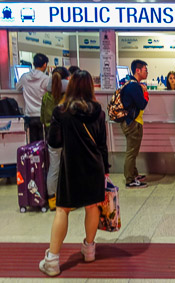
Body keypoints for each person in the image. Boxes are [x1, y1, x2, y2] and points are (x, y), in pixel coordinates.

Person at [38, 70, 109, 276]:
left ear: (70, 86)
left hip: (71, 167)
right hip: (94, 166)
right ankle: (89, 250)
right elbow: (102, 144)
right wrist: (105, 170)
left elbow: (54, 141)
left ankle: (52, 260)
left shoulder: (61, 111)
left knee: (63, 210)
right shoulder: (98, 111)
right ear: (90, 87)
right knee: (92, 206)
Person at [40, 66, 70, 211]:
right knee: (68, 167)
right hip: (68, 136)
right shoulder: (68, 95)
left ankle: (52, 199)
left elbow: (43, 118)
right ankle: (68, 198)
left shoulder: (46, 96)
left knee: (54, 167)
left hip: (52, 137)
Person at [120, 60, 149, 188]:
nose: (146, 72)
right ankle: (129, 180)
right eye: (145, 70)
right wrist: (145, 92)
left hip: (131, 122)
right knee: (131, 152)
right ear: (138, 70)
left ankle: (133, 173)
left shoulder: (131, 84)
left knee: (133, 151)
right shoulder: (134, 86)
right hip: (133, 123)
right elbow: (142, 104)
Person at [16, 53, 50, 143]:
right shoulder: (46, 79)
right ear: (45, 64)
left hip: (29, 115)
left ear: (34, 64)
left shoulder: (25, 77)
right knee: (43, 144)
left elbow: (17, 88)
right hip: (42, 116)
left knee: (32, 145)